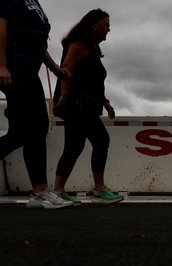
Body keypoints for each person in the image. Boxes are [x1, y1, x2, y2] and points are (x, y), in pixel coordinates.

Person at [0, 0, 72, 208]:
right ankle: (40, 192)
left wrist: (54, 68)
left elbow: (39, 42)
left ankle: (40, 191)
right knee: (37, 125)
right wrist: (2, 66)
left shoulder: (33, 3)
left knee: (21, 133)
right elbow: (1, 26)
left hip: (28, 69)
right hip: (14, 67)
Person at [52, 9, 123, 205]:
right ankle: (98, 188)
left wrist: (105, 102)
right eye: (105, 24)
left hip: (86, 104)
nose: (109, 29)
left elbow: (90, 81)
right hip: (77, 105)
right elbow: (67, 70)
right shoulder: (79, 45)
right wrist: (64, 97)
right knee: (100, 140)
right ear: (93, 25)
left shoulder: (92, 50)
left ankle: (58, 190)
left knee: (74, 147)